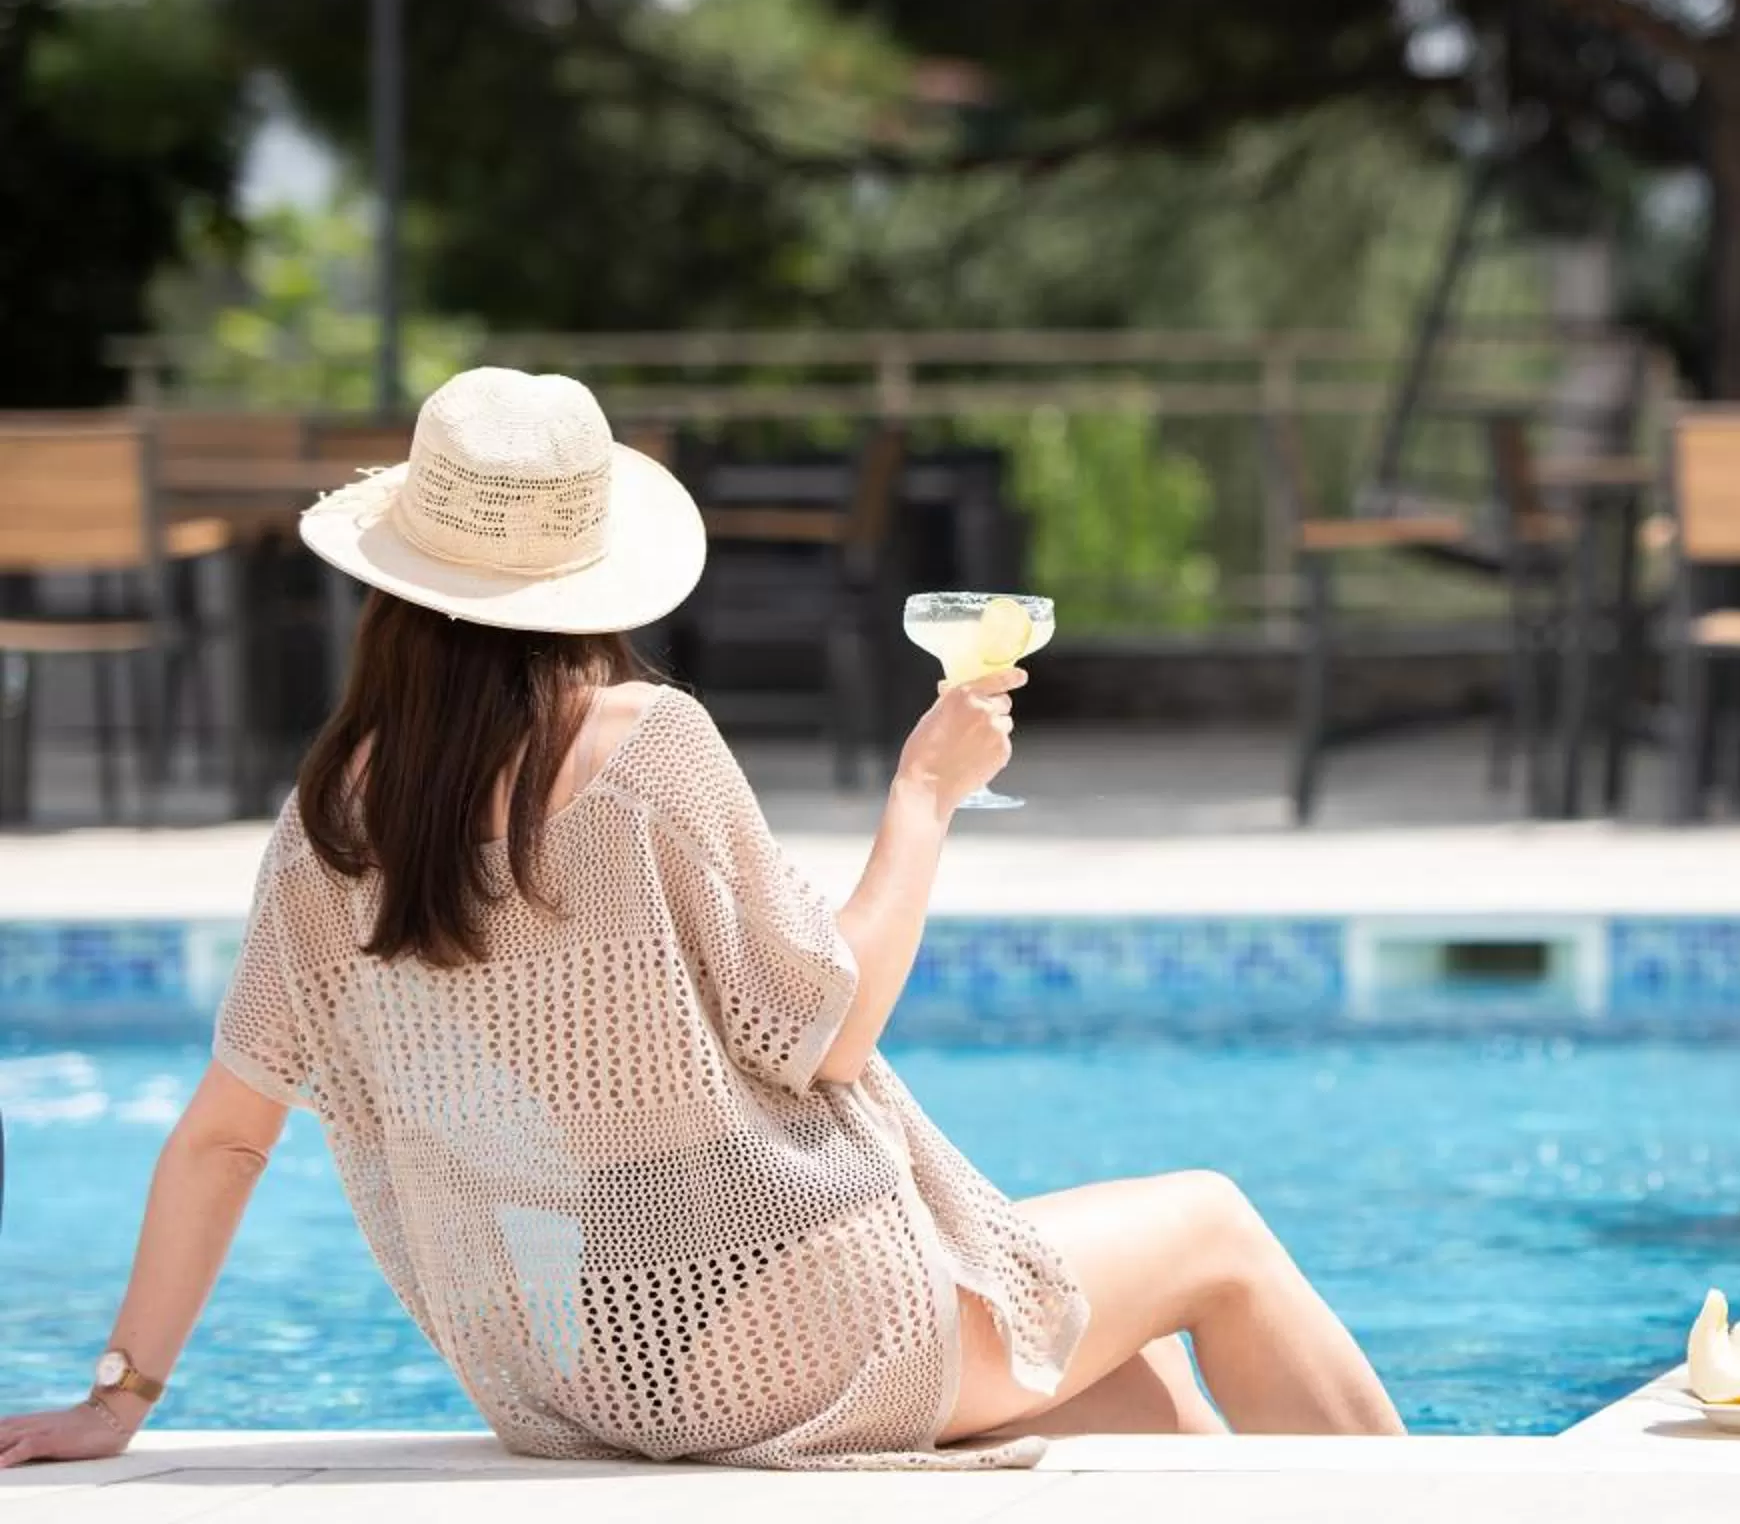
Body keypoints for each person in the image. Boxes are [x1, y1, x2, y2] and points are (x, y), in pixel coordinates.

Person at [0, 368, 1402, 1472]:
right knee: (1212, 1226)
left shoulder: (333, 818)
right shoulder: (644, 748)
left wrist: (117, 1399)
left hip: (565, 1374)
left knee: (1124, 1372)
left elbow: (223, 1137)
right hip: (793, 1341)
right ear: (589, 576)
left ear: (397, 586)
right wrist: (927, 790)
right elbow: (830, 1036)